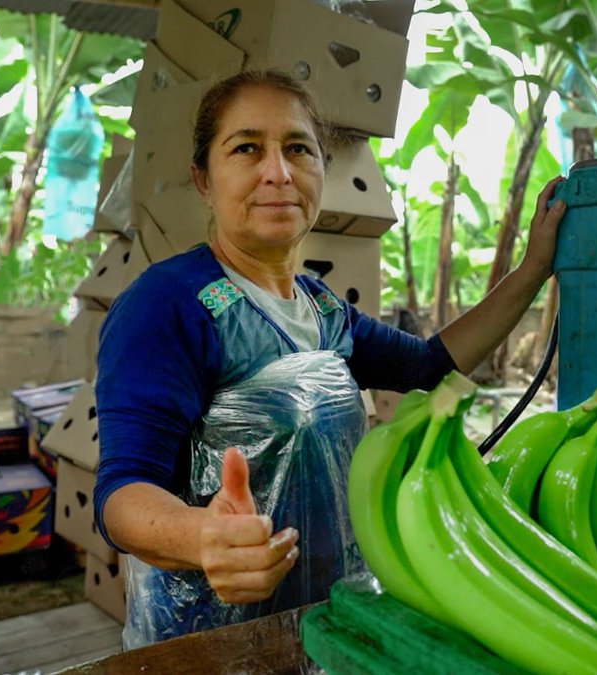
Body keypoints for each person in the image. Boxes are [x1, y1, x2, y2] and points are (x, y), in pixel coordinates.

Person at [94, 69, 567, 648]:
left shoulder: (321, 309)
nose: (278, 172)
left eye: (298, 148)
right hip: (206, 641)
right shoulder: (167, 304)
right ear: (203, 178)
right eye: (246, 148)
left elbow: (427, 368)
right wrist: (203, 537)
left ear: (321, 168)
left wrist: (533, 269)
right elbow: (122, 494)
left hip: (323, 626)